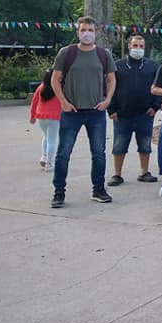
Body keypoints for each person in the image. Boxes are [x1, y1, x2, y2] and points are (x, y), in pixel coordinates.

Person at [49, 17, 117, 208]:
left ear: (96, 32)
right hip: (72, 111)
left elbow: (112, 79)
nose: (87, 33)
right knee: (63, 153)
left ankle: (98, 189)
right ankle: (59, 192)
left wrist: (108, 100)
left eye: (90, 30)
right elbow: (55, 79)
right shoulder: (66, 53)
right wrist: (63, 102)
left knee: (98, 153)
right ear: (77, 32)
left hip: (96, 112)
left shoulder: (104, 54)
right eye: (83, 29)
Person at [106, 35, 162, 186]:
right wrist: (111, 110)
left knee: (145, 145)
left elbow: (159, 86)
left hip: (145, 114)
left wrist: (155, 106)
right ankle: (117, 174)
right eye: (135, 46)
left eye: (141, 46)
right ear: (129, 46)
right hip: (122, 115)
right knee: (119, 145)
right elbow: (109, 88)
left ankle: (144, 172)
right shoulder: (117, 66)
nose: (138, 49)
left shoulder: (152, 66)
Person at [29, 69, 61, 171]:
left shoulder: (41, 87)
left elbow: (34, 102)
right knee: (52, 140)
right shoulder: (58, 88)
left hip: (41, 117)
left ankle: (44, 156)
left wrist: (32, 116)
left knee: (46, 137)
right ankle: (49, 164)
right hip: (54, 117)